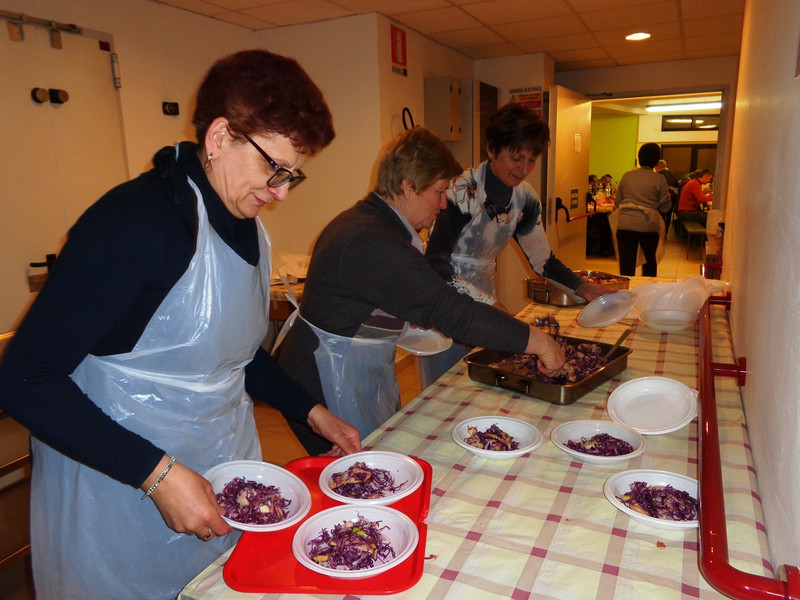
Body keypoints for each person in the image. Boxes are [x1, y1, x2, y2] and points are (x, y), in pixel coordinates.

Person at [0, 50, 362, 600]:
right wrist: (157, 474)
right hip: (118, 481)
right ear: (220, 137)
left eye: (294, 174)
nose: (282, 191)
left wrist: (310, 411)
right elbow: (25, 378)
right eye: (275, 168)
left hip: (216, 462)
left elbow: (233, 351)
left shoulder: (248, 225)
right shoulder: (134, 224)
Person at [276, 126, 567, 455]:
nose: (444, 204)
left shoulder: (371, 223)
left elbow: (376, 296)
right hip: (328, 376)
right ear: (408, 187)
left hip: (347, 364)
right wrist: (539, 342)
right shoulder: (371, 239)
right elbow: (451, 312)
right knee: (362, 471)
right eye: (439, 192)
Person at [420, 103, 611, 387]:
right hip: (445, 295)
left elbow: (542, 260)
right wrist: (485, 303)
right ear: (492, 149)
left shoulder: (525, 198)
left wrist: (582, 287)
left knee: (478, 380)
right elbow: (435, 263)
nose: (523, 169)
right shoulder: (463, 191)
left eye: (531, 160)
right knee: (444, 385)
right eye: (516, 157)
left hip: (484, 288)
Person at [611, 142, 672, 276]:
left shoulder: (627, 175)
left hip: (625, 225)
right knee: (650, 263)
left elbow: (618, 202)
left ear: (639, 158)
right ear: (656, 161)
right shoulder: (659, 178)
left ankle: (627, 294)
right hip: (648, 226)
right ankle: (647, 293)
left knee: (626, 267)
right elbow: (665, 206)